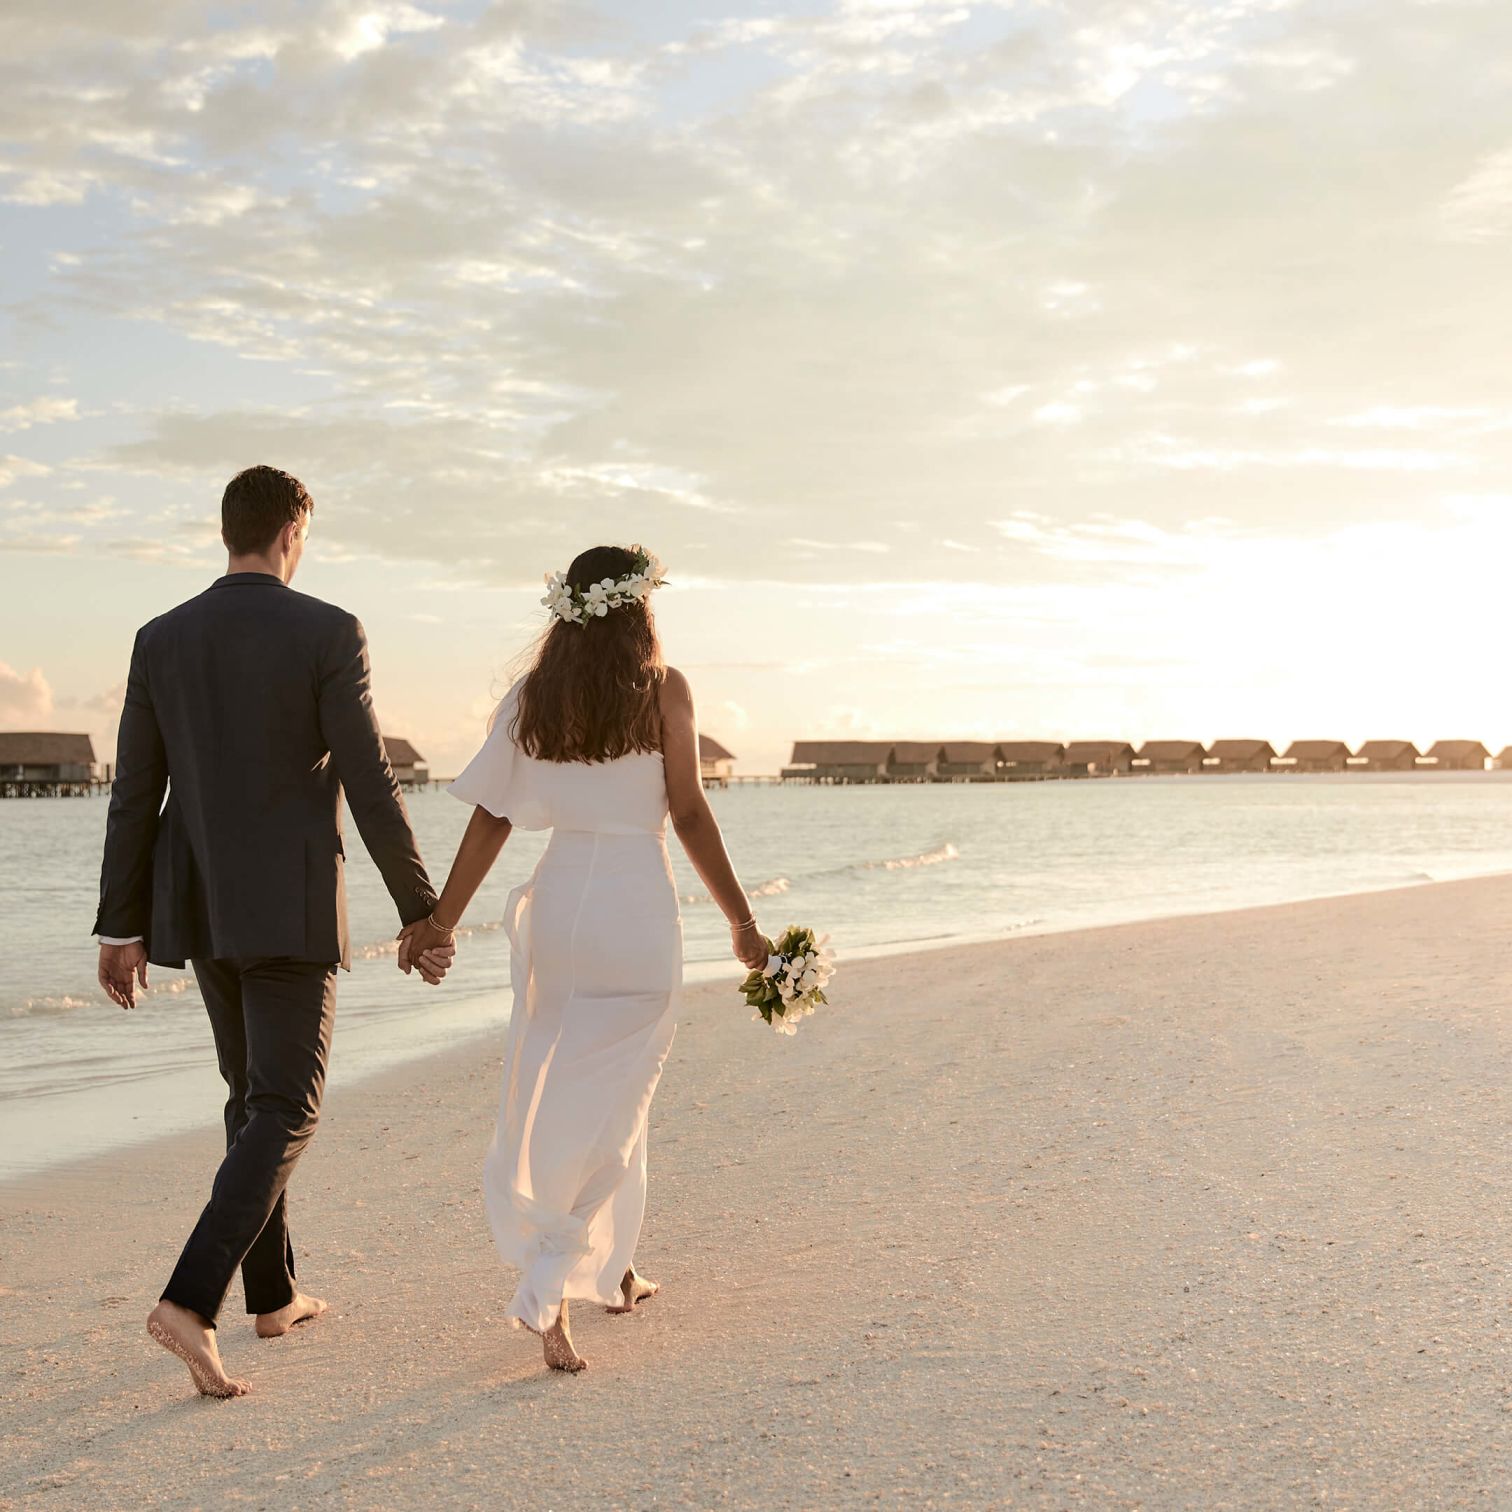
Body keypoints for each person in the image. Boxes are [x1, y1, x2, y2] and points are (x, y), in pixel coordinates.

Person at [94, 464, 455, 1398]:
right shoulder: (329, 630)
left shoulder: (160, 637)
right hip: (291, 909)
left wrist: (119, 926)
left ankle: (274, 1293)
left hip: (202, 904)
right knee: (288, 1106)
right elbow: (371, 780)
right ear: (294, 531)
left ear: (228, 532)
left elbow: (136, 792)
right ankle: (190, 1298)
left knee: (251, 1097)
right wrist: (422, 907)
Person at [414, 543, 767, 1372]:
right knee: (620, 1091)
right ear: (641, 607)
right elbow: (688, 812)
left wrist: (441, 920)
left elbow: (491, 816)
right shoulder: (663, 690)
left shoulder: (538, 694)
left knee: (577, 1082)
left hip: (562, 904)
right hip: (636, 907)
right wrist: (742, 921)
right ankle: (548, 1277)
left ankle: (615, 1269)